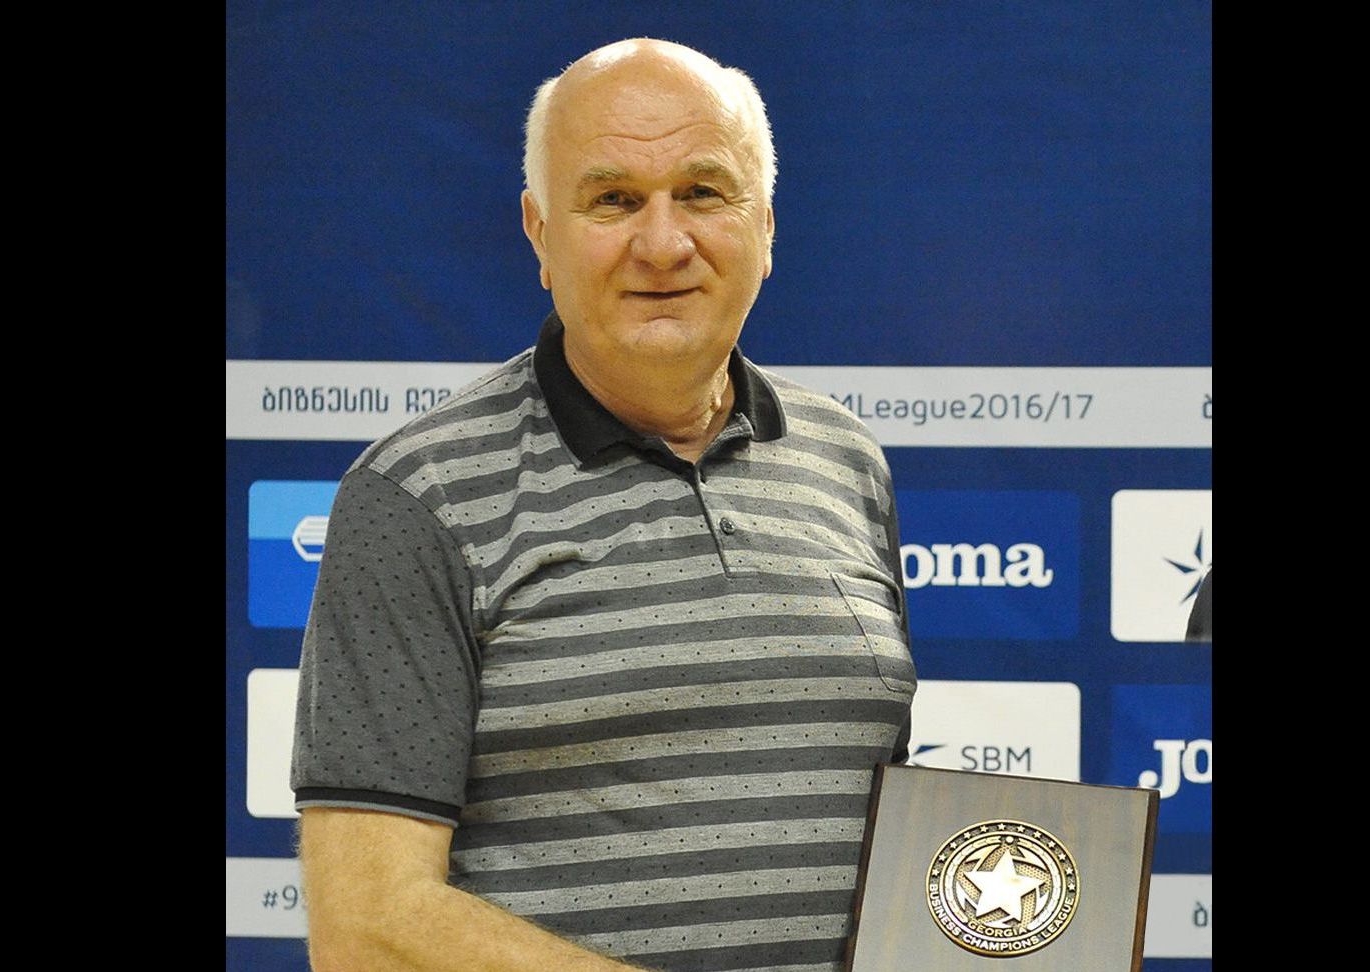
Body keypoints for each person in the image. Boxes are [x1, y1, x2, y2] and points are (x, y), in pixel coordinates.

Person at [291, 38, 915, 972]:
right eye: (614, 200)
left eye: (701, 193)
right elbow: (367, 926)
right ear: (539, 233)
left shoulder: (843, 460)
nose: (662, 245)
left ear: (765, 225)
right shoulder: (415, 495)